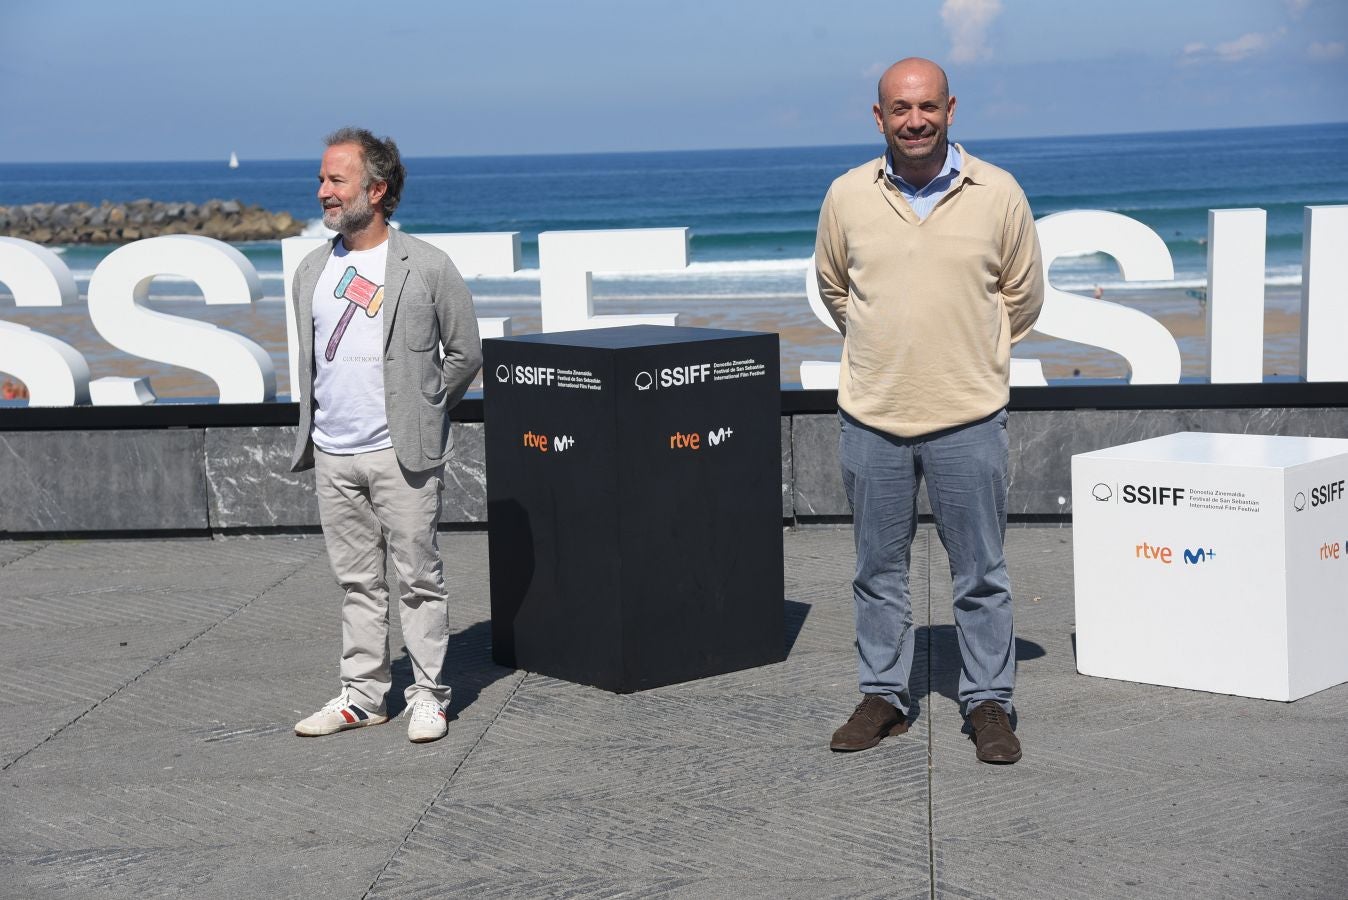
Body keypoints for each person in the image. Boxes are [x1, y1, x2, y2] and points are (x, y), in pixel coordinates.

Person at [815, 59, 1044, 762]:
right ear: (878, 117)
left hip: (968, 418)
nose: (915, 121)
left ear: (950, 109)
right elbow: (835, 290)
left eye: (927, 108)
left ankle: (988, 704)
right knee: (876, 571)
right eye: (899, 109)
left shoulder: (998, 192)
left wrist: (960, 353)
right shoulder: (847, 196)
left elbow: (1022, 296)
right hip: (873, 418)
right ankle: (885, 695)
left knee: (980, 573)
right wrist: (893, 346)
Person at [290, 127, 482, 743]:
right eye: (321, 179)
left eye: (335, 180)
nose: (322, 191)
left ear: (376, 190)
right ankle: (364, 696)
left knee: (419, 580)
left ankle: (429, 695)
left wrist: (426, 407)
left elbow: (466, 352)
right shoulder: (312, 271)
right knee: (356, 583)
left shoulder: (426, 265)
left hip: (403, 454)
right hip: (332, 452)